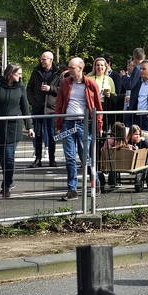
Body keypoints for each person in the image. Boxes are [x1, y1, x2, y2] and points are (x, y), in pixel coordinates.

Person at [55, 57, 104, 200]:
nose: (69, 70)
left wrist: (99, 124)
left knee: (86, 158)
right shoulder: (65, 83)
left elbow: (97, 107)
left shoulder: (90, 84)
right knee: (69, 157)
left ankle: (96, 184)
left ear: (80, 69)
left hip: (84, 124)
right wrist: (59, 124)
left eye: (72, 68)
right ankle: (72, 189)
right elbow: (59, 104)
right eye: (69, 67)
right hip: (67, 124)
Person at [0, 63, 34, 198]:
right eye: (18, 74)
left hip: (14, 127)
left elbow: (25, 108)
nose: (20, 76)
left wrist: (29, 126)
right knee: (2, 156)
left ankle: (7, 185)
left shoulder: (21, 87)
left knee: (9, 156)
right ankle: (8, 181)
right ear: (10, 74)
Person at [26, 51, 60, 168]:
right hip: (38, 107)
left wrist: (51, 88)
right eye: (41, 59)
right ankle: (38, 159)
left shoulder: (58, 73)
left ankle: (52, 159)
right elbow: (29, 88)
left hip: (51, 108)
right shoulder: (36, 72)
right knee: (38, 134)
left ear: (51, 60)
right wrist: (32, 101)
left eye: (44, 59)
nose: (41, 61)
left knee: (51, 135)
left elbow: (62, 89)